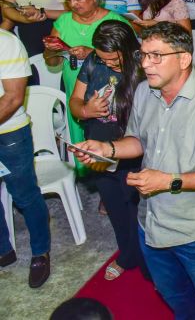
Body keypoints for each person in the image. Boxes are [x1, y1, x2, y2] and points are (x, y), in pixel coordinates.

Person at [71, 22, 195, 320]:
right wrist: (106, 149)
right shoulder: (143, 91)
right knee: (175, 296)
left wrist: (169, 182)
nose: (146, 64)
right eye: (143, 55)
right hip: (149, 220)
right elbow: (137, 140)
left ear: (184, 59)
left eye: (156, 56)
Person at [69, 21, 147, 280]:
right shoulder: (94, 61)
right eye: (102, 59)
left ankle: (149, 258)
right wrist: (86, 111)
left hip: (132, 151)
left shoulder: (144, 66)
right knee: (114, 206)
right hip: (98, 148)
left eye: (113, 59)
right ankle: (126, 254)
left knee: (138, 208)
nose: (107, 64)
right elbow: (75, 102)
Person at [45, 0, 129, 147]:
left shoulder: (114, 21)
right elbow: (52, 64)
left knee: (109, 139)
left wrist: (92, 53)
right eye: (68, 0)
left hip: (110, 93)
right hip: (75, 91)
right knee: (80, 139)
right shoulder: (63, 22)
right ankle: (84, 173)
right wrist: (51, 51)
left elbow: (131, 58)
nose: (73, 4)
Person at [0, 29, 52, 288]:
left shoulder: (7, 43)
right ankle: (3, 250)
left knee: (25, 195)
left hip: (8, 133)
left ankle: (40, 252)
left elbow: (12, 97)